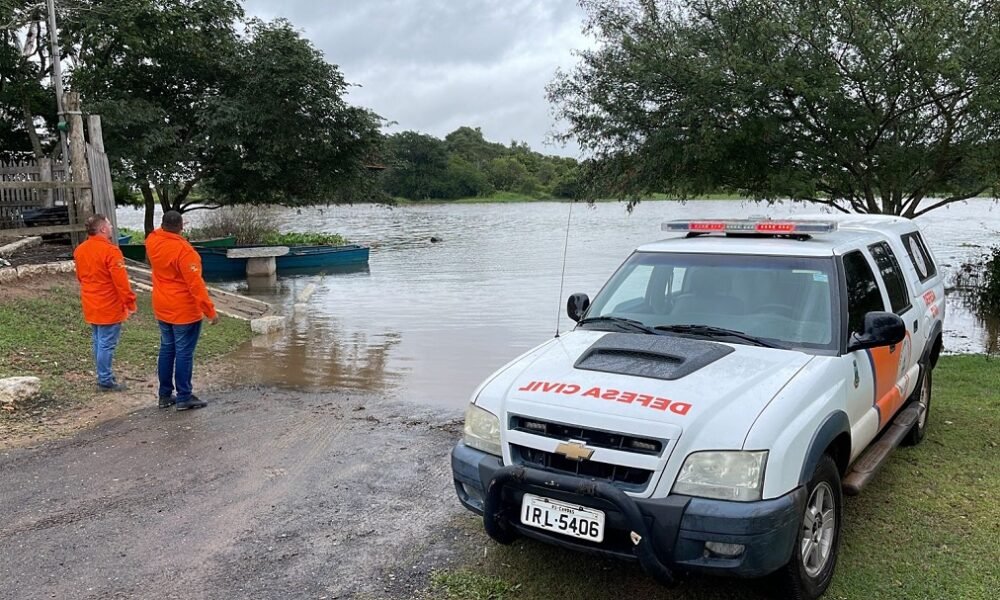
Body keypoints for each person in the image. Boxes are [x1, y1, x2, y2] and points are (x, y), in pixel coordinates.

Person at [145, 211, 219, 411]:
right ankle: (184, 396)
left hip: (162, 306)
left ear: (162, 224)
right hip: (183, 310)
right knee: (184, 352)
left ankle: (165, 394)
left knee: (167, 349)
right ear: (181, 227)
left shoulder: (152, 240)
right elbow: (196, 285)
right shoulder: (185, 252)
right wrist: (210, 311)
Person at [73, 214, 137, 392]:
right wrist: (130, 303)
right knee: (106, 343)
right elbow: (121, 282)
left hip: (91, 302)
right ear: (102, 229)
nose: (111, 227)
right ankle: (105, 379)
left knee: (98, 341)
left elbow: (80, 277)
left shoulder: (80, 250)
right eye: (109, 224)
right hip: (109, 304)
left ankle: (103, 375)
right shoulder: (111, 251)